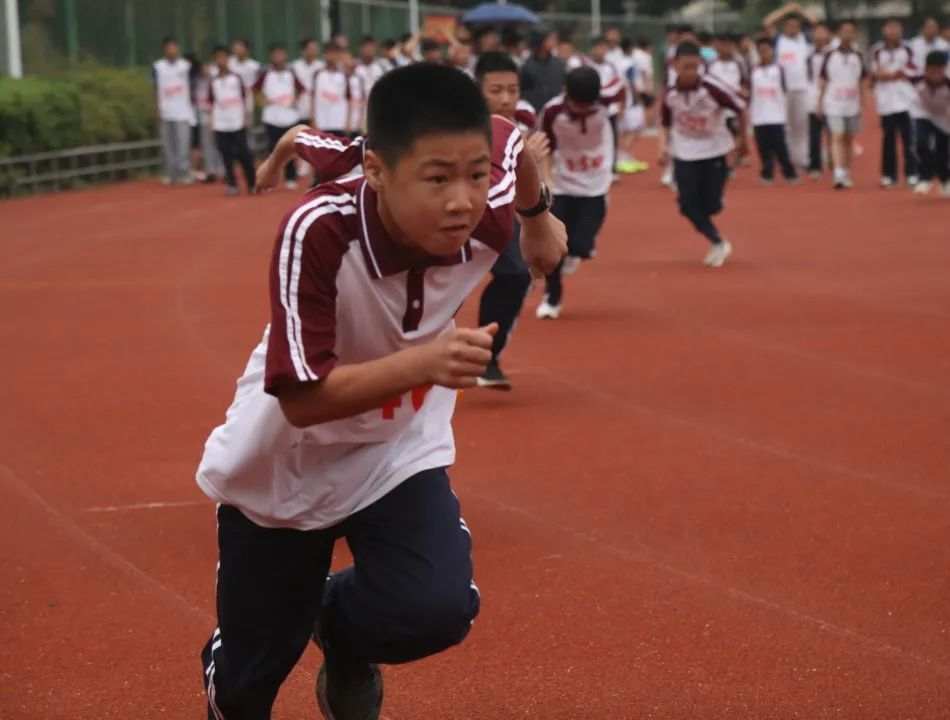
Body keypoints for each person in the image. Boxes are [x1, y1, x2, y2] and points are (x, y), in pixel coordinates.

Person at [196, 62, 565, 720]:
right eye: (437, 179)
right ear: (377, 173)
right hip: (291, 447)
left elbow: (510, 143)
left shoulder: (490, 181)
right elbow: (302, 397)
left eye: (474, 176)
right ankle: (250, 642)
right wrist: (424, 362)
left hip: (395, 442)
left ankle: (339, 636)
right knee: (248, 684)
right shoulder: (318, 229)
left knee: (434, 608)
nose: (463, 200)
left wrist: (537, 221)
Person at [468, 51, 548, 388]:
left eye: (512, 90)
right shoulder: (458, 122)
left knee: (516, 275)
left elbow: (535, 172)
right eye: (496, 90)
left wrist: (534, 170)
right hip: (452, 213)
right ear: (477, 91)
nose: (506, 99)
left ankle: (486, 358)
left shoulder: (525, 119)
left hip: (499, 212)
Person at [536, 66, 621, 319]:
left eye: (588, 105)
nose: (582, 109)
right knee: (554, 245)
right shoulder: (552, 111)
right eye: (577, 104)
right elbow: (545, 146)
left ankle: (576, 253)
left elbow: (621, 86)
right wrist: (548, 180)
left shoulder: (606, 99)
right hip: (563, 183)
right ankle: (552, 297)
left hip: (596, 183)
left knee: (582, 245)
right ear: (566, 94)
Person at [659, 42, 748, 268]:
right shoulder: (669, 92)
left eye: (694, 67)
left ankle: (715, 202)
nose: (690, 72)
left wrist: (743, 141)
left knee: (711, 206)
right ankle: (718, 241)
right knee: (687, 205)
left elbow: (740, 107)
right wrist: (663, 147)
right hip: (685, 151)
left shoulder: (713, 87)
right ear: (675, 65)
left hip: (714, 149)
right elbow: (665, 122)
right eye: (685, 67)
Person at [817, 21, 866, 189]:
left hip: (852, 103)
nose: (848, 34)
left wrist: (863, 103)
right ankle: (838, 173)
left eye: (851, 32)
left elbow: (862, 81)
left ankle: (845, 171)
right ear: (838, 33)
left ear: (855, 34)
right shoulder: (829, 55)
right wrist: (819, 102)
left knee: (848, 139)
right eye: (844, 31)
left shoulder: (858, 55)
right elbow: (823, 79)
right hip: (833, 102)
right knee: (837, 136)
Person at [870, 19, 918, 188]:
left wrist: (896, 73)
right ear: (884, 30)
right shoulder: (877, 50)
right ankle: (888, 175)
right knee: (888, 140)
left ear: (901, 30)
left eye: (896, 28)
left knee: (909, 140)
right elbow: (875, 72)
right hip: (886, 102)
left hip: (906, 101)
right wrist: (885, 75)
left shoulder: (908, 48)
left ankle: (912, 173)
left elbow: (913, 69)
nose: (893, 31)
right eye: (889, 28)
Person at [253, 44, 305, 190]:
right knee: (272, 150)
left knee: (291, 148)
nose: (278, 58)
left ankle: (291, 177)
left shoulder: (291, 73)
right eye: (275, 54)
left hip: (290, 116)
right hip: (271, 117)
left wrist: (294, 100)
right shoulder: (266, 74)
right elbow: (255, 90)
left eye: (281, 54)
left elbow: (301, 89)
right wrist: (263, 102)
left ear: (285, 56)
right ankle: (271, 179)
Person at [208, 45, 256, 196]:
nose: (221, 61)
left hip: (237, 122)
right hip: (221, 124)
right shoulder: (213, 81)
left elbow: (244, 98)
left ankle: (252, 183)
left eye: (224, 57)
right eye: (218, 58)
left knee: (244, 154)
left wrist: (246, 117)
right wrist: (212, 122)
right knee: (225, 155)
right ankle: (232, 184)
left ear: (228, 60)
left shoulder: (236, 78)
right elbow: (212, 103)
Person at [750, 36, 798, 184]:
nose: (764, 53)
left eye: (767, 50)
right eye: (761, 51)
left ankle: (789, 174)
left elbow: (785, 90)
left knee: (780, 147)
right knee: (763, 148)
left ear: (772, 51)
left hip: (776, 115)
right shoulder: (753, 70)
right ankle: (767, 174)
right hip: (759, 116)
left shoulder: (779, 70)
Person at [909, 19, 949, 182]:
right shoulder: (916, 80)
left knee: (942, 149)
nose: (936, 73)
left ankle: (944, 178)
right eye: (932, 70)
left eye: (939, 69)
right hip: (922, 114)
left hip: (943, 117)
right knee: (921, 143)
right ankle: (925, 175)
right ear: (926, 68)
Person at [152, 37, 195, 185]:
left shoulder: (186, 66)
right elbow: (155, 88)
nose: (171, 50)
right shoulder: (158, 66)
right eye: (168, 48)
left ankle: (184, 172)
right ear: (164, 49)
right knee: (167, 145)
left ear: (178, 49)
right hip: (165, 111)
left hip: (183, 111)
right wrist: (157, 107)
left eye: (173, 47)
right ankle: (170, 173)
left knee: (183, 144)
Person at [775, 15, 812, 169]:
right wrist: (789, 9)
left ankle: (802, 158)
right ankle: (787, 159)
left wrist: (799, 10)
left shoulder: (805, 40)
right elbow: (767, 23)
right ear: (784, 27)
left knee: (801, 126)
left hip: (802, 88)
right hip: (782, 90)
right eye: (789, 25)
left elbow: (816, 23)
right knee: (784, 126)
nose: (792, 28)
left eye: (796, 26)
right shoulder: (778, 41)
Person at [586, 35, 627, 174]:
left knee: (612, 139)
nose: (601, 51)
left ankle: (612, 168)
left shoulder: (612, 67)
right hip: (592, 109)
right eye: (598, 47)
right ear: (592, 49)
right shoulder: (587, 66)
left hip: (610, 110)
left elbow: (621, 86)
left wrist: (622, 105)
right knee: (593, 139)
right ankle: (594, 166)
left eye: (603, 48)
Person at [312, 42, 360, 138]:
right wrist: (313, 119)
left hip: (339, 123)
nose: (331, 56)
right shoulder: (318, 74)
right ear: (324, 55)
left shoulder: (344, 75)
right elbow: (313, 98)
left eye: (334, 53)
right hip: (322, 123)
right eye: (328, 53)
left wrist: (348, 122)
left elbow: (349, 99)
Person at [806, 22, 833, 178]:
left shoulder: (834, 53)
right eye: (817, 33)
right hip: (812, 99)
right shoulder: (807, 54)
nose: (820, 36)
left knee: (833, 133)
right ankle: (815, 166)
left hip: (831, 99)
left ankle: (834, 160)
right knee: (814, 136)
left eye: (823, 32)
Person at [521, 30, 566, 114]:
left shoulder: (559, 64)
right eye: (551, 39)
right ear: (541, 41)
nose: (555, 42)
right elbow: (524, 93)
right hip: (535, 113)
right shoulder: (527, 67)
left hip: (556, 113)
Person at [353, 37, 385, 132]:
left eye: (371, 48)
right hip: (357, 114)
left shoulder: (381, 67)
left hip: (376, 112)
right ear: (360, 49)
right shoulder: (354, 68)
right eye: (366, 48)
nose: (368, 51)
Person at [229, 38, 262, 122]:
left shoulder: (254, 66)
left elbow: (258, 85)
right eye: (235, 47)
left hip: (248, 96)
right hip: (232, 96)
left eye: (240, 47)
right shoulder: (229, 63)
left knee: (247, 121)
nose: (237, 50)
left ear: (247, 49)